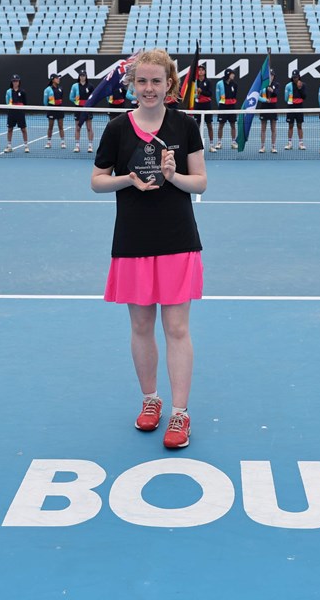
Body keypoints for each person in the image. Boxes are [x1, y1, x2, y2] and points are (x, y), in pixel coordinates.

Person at [91, 48, 208, 449]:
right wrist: (129, 180)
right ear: (132, 84)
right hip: (133, 239)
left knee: (176, 328)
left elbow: (201, 183)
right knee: (141, 326)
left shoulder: (185, 125)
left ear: (169, 84)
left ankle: (180, 414)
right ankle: (150, 401)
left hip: (177, 238)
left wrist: (175, 177)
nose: (149, 88)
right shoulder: (116, 129)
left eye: (157, 81)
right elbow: (97, 181)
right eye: (142, 81)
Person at [4, 73, 30, 153]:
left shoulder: (22, 91)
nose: (15, 82)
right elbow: (7, 102)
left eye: (16, 81)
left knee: (23, 129)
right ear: (12, 82)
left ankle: (26, 146)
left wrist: (20, 107)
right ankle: (9, 146)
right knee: (10, 129)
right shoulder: (8, 92)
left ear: (19, 82)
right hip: (11, 113)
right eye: (14, 81)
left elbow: (25, 103)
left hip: (20, 113)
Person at [70, 70, 94, 153]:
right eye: (81, 75)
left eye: (84, 75)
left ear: (86, 76)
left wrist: (89, 105)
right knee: (77, 127)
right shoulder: (75, 86)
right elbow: (71, 97)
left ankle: (90, 146)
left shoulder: (90, 86)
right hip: (78, 109)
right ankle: (77, 146)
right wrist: (76, 101)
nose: (82, 77)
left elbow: (93, 97)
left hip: (87, 109)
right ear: (79, 77)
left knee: (89, 128)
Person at [214, 68, 238, 151]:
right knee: (221, 125)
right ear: (228, 74)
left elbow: (234, 96)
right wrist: (220, 105)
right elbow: (217, 96)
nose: (233, 75)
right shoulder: (219, 84)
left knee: (233, 125)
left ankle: (233, 142)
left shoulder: (234, 84)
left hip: (231, 107)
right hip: (223, 107)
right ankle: (219, 142)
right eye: (232, 74)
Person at [284, 69, 307, 150]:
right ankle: (289, 143)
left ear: (299, 77)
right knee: (290, 125)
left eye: (296, 77)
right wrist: (291, 102)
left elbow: (304, 96)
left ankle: (301, 144)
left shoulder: (303, 85)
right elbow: (286, 98)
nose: (295, 79)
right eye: (294, 77)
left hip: (299, 107)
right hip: (291, 107)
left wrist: (299, 88)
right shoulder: (288, 86)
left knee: (299, 125)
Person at [257, 68, 279, 153]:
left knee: (273, 128)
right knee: (263, 128)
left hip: (273, 107)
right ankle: (262, 147)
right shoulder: (262, 85)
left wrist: (272, 91)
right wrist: (264, 100)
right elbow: (257, 96)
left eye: (272, 75)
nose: (271, 77)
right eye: (269, 75)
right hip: (264, 107)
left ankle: (273, 147)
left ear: (274, 76)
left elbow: (277, 93)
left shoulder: (276, 84)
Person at [191, 64, 215, 143]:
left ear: (205, 72)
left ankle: (211, 144)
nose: (200, 71)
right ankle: (196, 143)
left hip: (207, 105)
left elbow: (210, 93)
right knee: (197, 125)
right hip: (198, 105)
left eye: (202, 70)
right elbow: (193, 95)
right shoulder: (195, 82)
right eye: (199, 70)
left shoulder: (208, 81)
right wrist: (196, 95)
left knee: (209, 125)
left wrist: (202, 91)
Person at [44, 73, 66, 149]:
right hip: (51, 109)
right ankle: (48, 142)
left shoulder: (61, 88)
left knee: (61, 126)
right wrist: (50, 107)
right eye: (57, 78)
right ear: (53, 80)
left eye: (58, 78)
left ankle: (62, 142)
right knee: (50, 126)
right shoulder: (48, 89)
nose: (58, 79)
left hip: (59, 108)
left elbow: (61, 98)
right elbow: (45, 102)